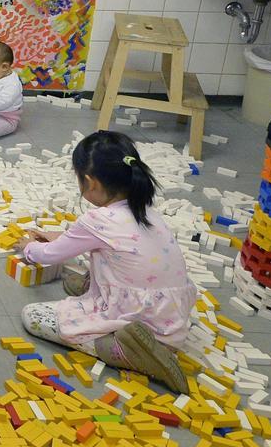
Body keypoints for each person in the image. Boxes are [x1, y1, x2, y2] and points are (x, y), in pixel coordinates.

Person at [14, 131, 195, 394]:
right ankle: (96, 290)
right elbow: (104, 243)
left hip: (136, 316)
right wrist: (60, 237)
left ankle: (126, 351)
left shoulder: (97, 220)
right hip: (170, 314)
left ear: (90, 182)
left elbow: (50, 255)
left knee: (33, 317)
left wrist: (28, 248)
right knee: (109, 264)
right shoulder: (146, 210)